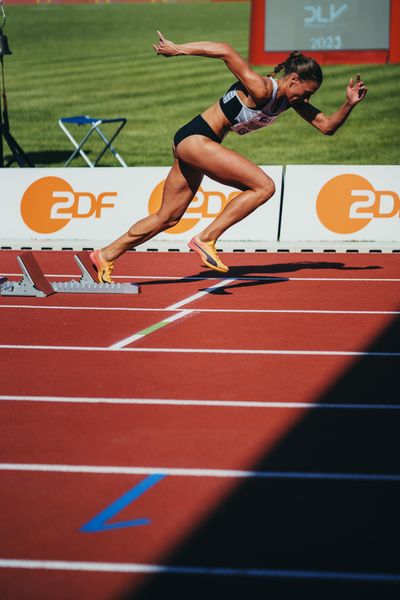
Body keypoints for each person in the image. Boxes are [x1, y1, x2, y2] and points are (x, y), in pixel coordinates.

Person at [90, 31, 367, 282]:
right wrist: (178, 49)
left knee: (168, 217)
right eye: (306, 92)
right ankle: (206, 239)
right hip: (196, 139)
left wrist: (348, 104)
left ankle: (105, 255)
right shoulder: (261, 88)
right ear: (293, 79)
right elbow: (224, 50)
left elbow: (327, 126)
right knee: (264, 186)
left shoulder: (288, 101)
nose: (305, 98)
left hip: (192, 142)